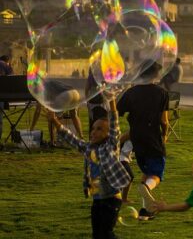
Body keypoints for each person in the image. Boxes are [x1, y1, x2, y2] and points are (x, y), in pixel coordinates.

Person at [50, 92, 131, 239]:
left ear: (108, 134)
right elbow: (71, 139)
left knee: (106, 233)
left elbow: (114, 124)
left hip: (112, 199)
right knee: (96, 234)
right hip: (97, 199)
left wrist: (112, 101)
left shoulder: (111, 146)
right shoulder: (89, 148)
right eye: (93, 128)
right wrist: (55, 122)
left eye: (99, 129)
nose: (94, 132)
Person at [117, 63, 170, 221]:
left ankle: (144, 212)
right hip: (153, 139)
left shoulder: (131, 92)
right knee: (156, 175)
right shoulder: (162, 93)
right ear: (155, 76)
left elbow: (117, 112)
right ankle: (145, 187)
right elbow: (164, 121)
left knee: (146, 173)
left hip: (137, 140)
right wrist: (165, 135)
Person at [119, 132, 135, 204]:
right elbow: (118, 141)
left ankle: (121, 198)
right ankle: (123, 199)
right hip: (120, 157)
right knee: (129, 176)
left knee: (126, 177)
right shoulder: (130, 133)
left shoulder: (141, 133)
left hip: (124, 157)